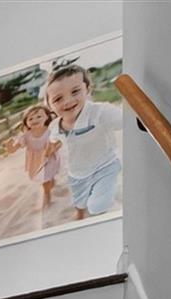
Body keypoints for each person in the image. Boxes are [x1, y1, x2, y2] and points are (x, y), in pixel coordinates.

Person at [45, 62, 123, 220]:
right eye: (58, 99)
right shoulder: (55, 125)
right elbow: (55, 140)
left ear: (87, 89)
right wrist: (52, 148)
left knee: (97, 205)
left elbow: (125, 119)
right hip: (77, 172)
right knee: (79, 200)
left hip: (105, 166)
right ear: (50, 105)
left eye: (75, 91)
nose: (68, 101)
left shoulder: (99, 112)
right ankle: (80, 212)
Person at [18, 104, 63, 210]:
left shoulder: (50, 131)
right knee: (45, 179)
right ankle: (49, 184)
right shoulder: (27, 135)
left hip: (49, 159)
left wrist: (54, 148)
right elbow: (21, 144)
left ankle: (47, 196)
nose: (34, 120)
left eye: (39, 116)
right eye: (30, 118)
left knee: (45, 179)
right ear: (26, 122)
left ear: (47, 117)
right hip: (35, 161)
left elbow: (59, 142)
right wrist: (15, 145)